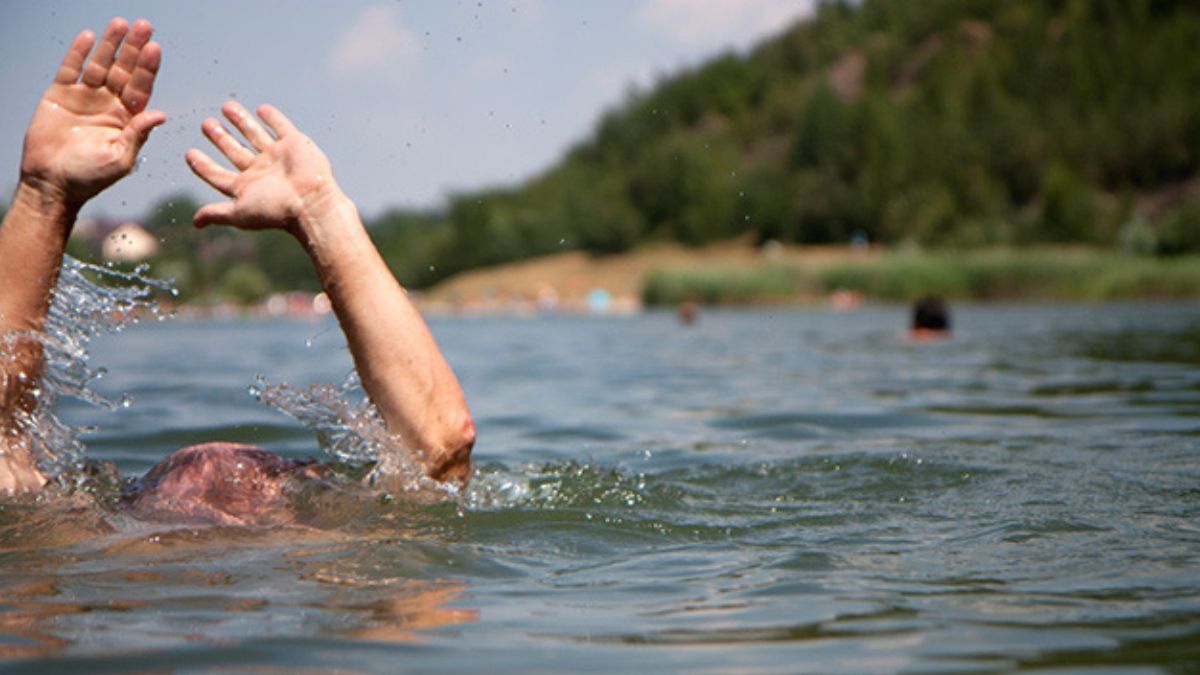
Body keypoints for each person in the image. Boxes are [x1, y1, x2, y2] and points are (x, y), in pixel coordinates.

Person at [0, 19, 475, 524]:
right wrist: (322, 213)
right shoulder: (335, 547)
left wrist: (44, 197)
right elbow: (439, 453)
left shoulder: (82, 534)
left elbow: (4, 448)